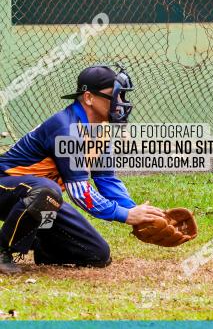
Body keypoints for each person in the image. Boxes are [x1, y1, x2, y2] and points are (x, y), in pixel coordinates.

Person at [0, 65, 165, 274]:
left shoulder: (101, 128)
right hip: (6, 188)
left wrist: (138, 214)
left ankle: (40, 244)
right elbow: (79, 192)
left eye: (122, 96)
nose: (121, 103)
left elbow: (106, 179)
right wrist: (125, 215)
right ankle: (2, 250)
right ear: (88, 97)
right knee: (48, 191)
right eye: (115, 96)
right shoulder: (67, 129)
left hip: (41, 200)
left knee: (97, 253)